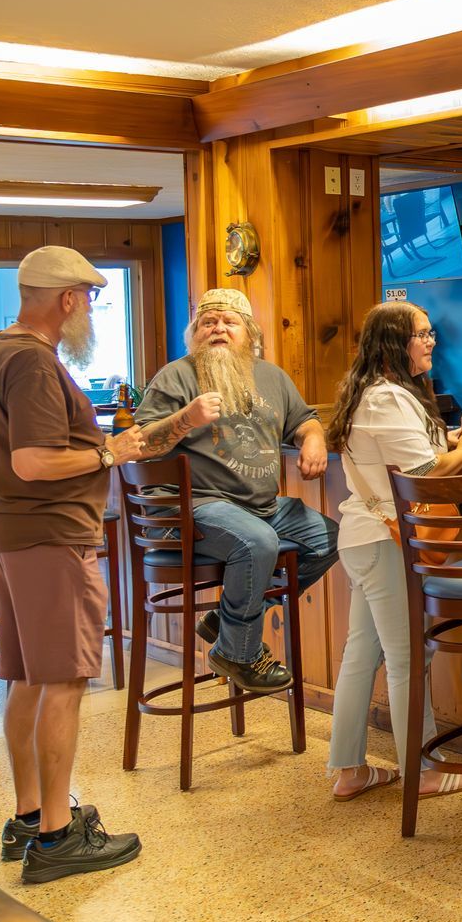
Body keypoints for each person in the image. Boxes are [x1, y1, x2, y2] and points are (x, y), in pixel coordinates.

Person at [0, 246, 219, 883]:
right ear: (70, 299)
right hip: (49, 538)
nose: (91, 312)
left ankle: (28, 816)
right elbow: (34, 461)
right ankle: (56, 837)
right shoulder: (33, 362)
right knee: (66, 683)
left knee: (26, 677)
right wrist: (108, 452)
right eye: (91, 300)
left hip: (7, 535)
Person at [324, 301, 462, 800]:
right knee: (406, 659)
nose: (431, 340)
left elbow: (412, 457)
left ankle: (350, 769)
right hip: (387, 541)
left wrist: (451, 444)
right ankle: (421, 771)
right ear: (396, 343)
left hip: (366, 537)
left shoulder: (373, 395)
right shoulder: (387, 399)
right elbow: (421, 475)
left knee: (362, 655)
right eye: (422, 333)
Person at [136, 287, 339, 693]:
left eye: (230, 322)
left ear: (249, 332)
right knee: (257, 543)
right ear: (195, 333)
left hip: (259, 506)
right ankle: (238, 654)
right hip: (194, 506)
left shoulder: (271, 376)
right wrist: (185, 419)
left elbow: (306, 419)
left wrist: (313, 438)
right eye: (208, 323)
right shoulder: (176, 377)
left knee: (331, 538)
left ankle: (227, 625)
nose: (219, 330)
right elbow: (142, 444)